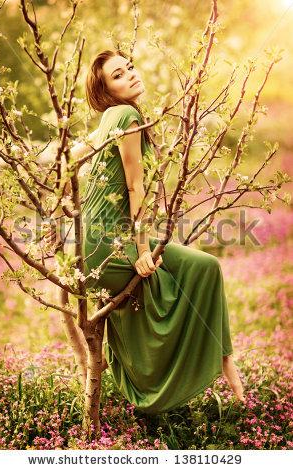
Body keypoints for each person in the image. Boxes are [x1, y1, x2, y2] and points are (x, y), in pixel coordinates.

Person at [44, 49, 245, 414]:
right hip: (108, 242)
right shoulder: (126, 114)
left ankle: (222, 356)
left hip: (90, 246)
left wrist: (58, 225)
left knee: (199, 267)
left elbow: (67, 156)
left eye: (130, 67)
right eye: (118, 75)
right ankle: (220, 359)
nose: (131, 75)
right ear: (106, 90)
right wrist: (140, 251)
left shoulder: (111, 117)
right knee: (198, 269)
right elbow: (136, 188)